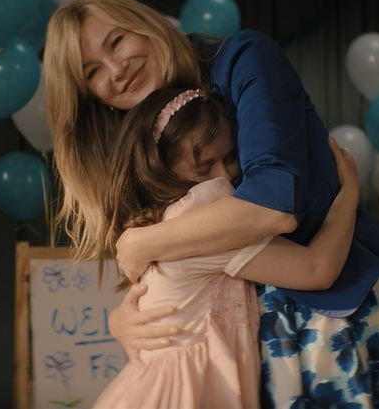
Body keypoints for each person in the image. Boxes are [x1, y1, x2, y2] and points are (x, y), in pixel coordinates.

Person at [44, 0, 379, 407]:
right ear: (91, 97)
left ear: (145, 24)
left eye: (117, 41)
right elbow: (169, 268)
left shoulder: (242, 59)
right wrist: (124, 316)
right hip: (223, 348)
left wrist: (141, 244)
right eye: (92, 72)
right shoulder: (139, 143)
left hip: (316, 312)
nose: (116, 69)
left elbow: (272, 204)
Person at [92, 87, 360, 409]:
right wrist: (350, 194)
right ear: (160, 167)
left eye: (230, 158)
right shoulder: (204, 209)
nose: (223, 176)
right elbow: (317, 269)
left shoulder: (161, 219)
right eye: (204, 166)